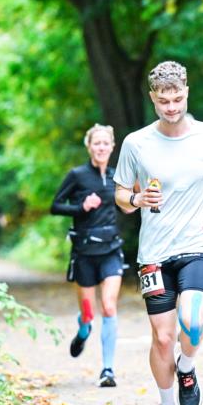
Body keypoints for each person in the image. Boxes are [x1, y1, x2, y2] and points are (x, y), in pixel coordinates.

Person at [114, 61, 203, 405]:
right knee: (162, 337)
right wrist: (136, 197)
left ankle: (186, 367)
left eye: (177, 98)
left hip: (198, 244)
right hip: (154, 254)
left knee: (192, 324)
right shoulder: (136, 143)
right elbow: (120, 196)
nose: (171, 106)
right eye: (164, 100)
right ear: (153, 98)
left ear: (186, 93)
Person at [51, 124, 124, 388]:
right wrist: (81, 207)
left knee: (109, 306)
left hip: (111, 249)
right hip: (83, 252)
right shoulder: (77, 175)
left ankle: (108, 370)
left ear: (112, 146)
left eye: (106, 143)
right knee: (89, 312)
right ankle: (83, 329)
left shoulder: (118, 177)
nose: (102, 147)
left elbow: (128, 204)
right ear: (89, 146)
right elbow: (55, 206)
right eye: (97, 143)